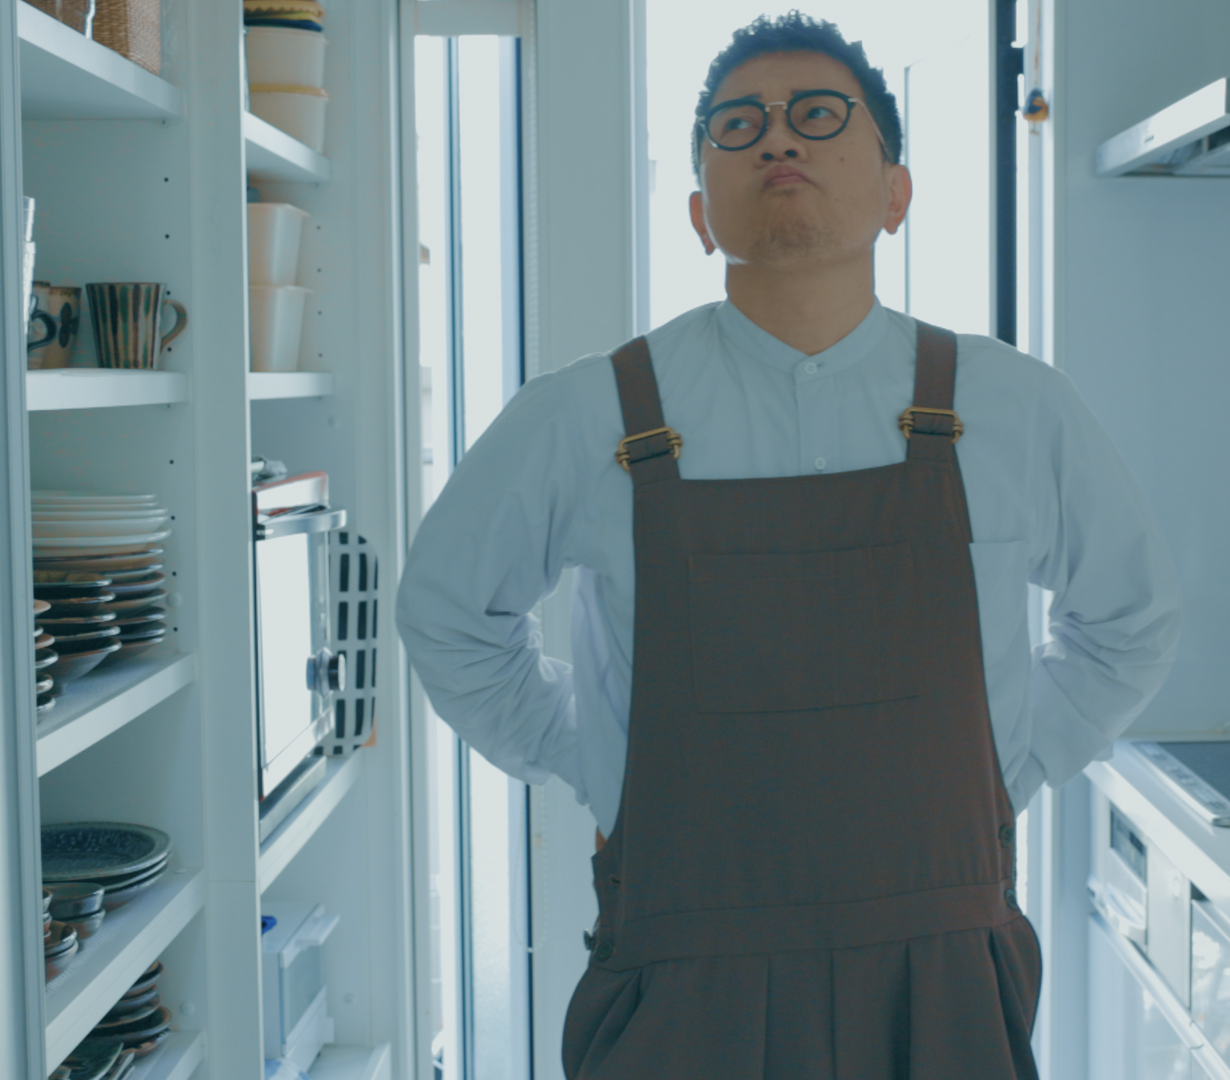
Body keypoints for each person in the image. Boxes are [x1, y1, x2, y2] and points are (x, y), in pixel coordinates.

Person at [397, 12, 1180, 1078]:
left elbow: (1129, 620)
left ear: (896, 193)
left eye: (818, 114)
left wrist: (1009, 770)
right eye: (738, 123)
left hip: (943, 976)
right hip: (681, 980)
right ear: (698, 212)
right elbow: (446, 614)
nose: (776, 137)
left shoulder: (1015, 407)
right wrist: (598, 765)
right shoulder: (588, 416)